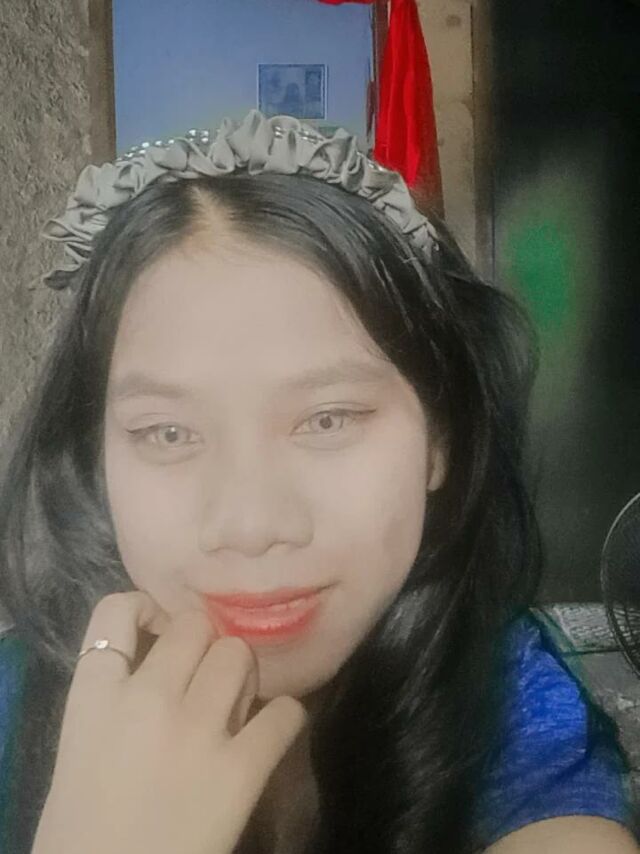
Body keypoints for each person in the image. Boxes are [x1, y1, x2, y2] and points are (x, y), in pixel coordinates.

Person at [0, 110, 636, 854]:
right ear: (95, 456)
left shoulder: (501, 696)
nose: (251, 525)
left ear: (439, 442)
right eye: (168, 433)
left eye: (328, 419)